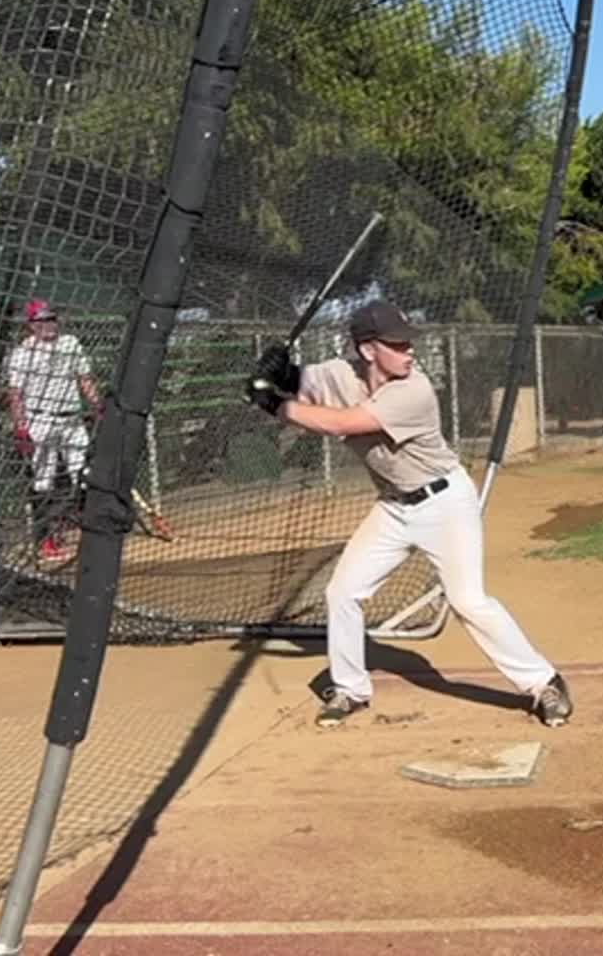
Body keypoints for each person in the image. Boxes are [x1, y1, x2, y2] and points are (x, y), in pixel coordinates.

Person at [244, 300, 573, 729]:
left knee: (468, 601)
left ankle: (543, 683)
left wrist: (273, 404)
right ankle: (349, 689)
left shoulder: (413, 390)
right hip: (393, 507)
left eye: (407, 343)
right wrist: (274, 371)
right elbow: (300, 381)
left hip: (446, 503)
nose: (409, 352)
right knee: (342, 593)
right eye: (397, 345)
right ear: (367, 350)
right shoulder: (340, 374)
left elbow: (343, 424)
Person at [3, 299, 101, 565]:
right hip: (41, 421)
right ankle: (45, 539)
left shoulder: (70, 344)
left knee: (85, 474)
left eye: (51, 319)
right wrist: (21, 427)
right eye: (42, 320)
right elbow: (15, 394)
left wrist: (97, 406)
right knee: (43, 482)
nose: (48, 324)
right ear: (31, 325)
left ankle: (87, 528)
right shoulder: (22, 353)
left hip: (71, 420)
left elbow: (85, 380)